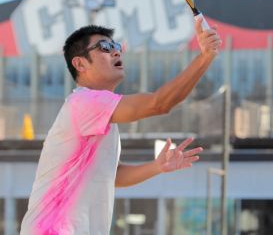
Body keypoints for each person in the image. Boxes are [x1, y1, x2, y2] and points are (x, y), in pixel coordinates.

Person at [20, 18, 221, 234]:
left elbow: (112, 175)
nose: (116, 52)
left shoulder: (100, 114)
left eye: (116, 47)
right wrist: (204, 57)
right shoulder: (84, 103)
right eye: (105, 47)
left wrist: (157, 166)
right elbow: (159, 104)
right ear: (80, 64)